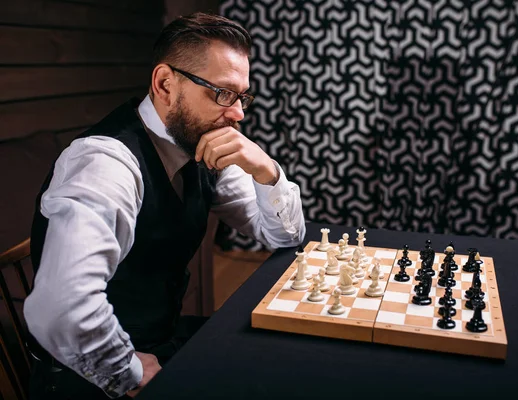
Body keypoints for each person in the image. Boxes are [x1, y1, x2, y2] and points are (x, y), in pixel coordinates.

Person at [23, 12, 306, 399]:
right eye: (222, 93)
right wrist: (131, 370)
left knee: (287, 363)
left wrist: (266, 170)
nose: (239, 113)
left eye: (242, 96)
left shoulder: (201, 143)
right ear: (165, 84)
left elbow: (283, 235)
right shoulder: (105, 164)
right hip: (91, 377)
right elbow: (60, 307)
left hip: (162, 338)